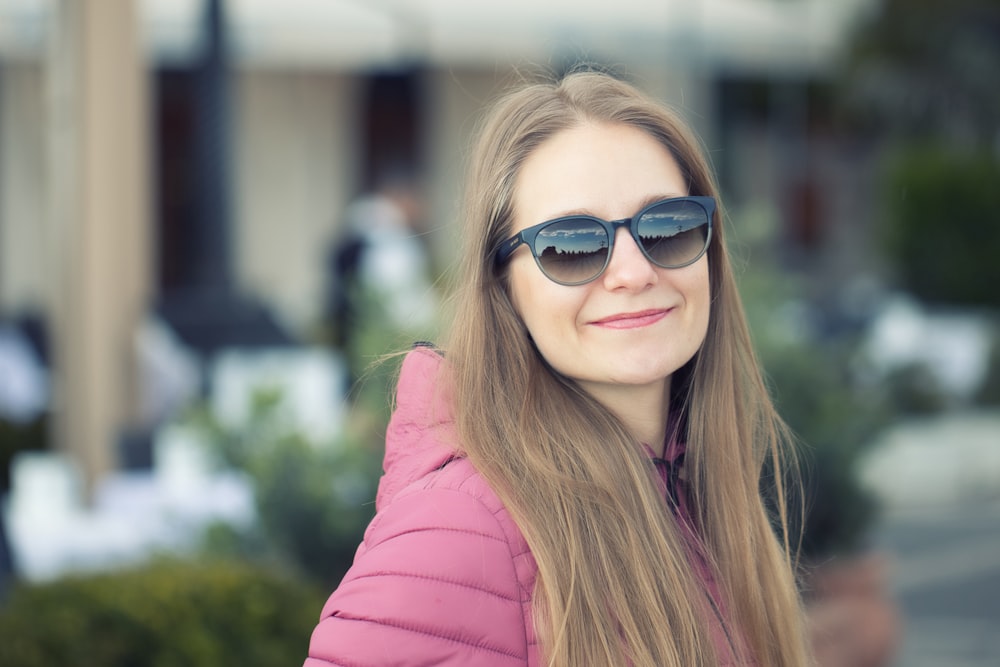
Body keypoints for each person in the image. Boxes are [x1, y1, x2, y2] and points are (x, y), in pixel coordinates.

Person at [304, 70, 813, 666]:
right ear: (505, 287)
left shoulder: (705, 499)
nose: (633, 272)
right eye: (572, 246)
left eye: (668, 226)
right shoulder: (456, 531)